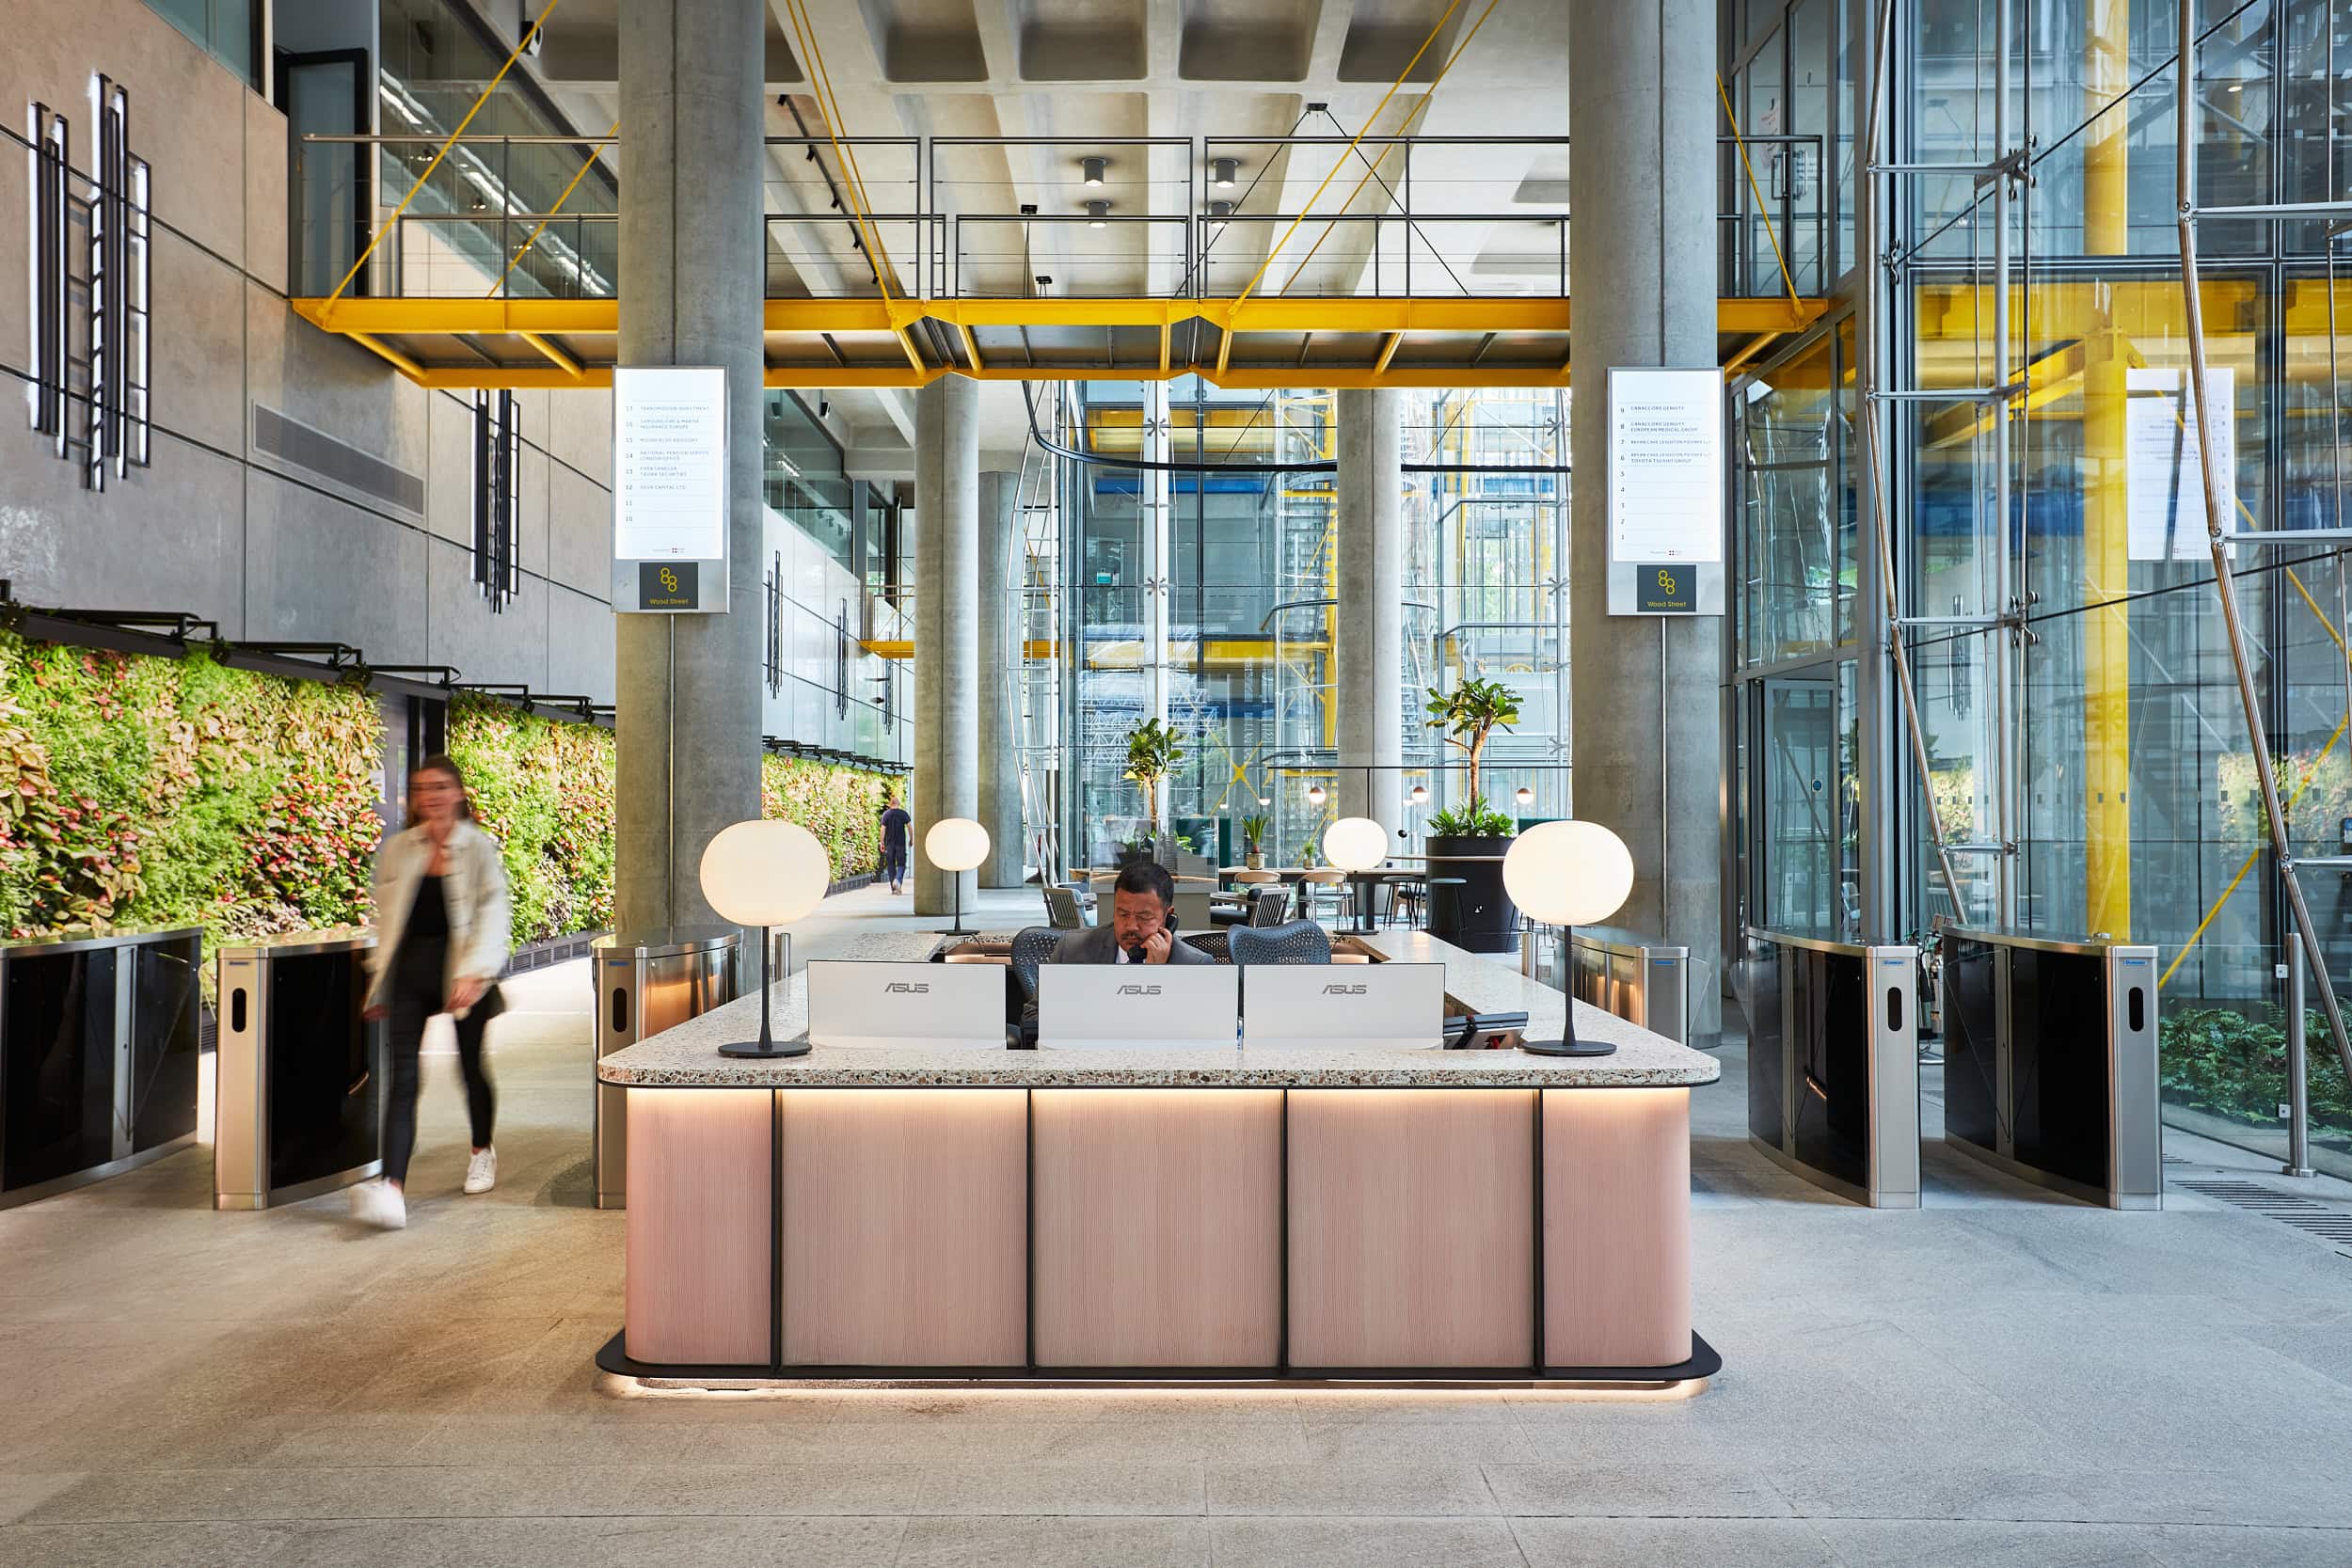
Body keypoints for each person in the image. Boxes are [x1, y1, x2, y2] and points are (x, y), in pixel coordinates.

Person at [350, 754, 512, 1231]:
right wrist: (380, 978)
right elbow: (388, 919)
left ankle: (482, 1148)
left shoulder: (478, 847)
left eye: (441, 786)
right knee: (403, 1081)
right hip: (411, 973)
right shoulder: (400, 848)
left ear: (458, 793)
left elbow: (493, 912)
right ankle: (392, 1186)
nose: (431, 795)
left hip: (464, 968)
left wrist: (476, 972)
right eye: (422, 788)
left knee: (469, 1068)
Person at [1045, 860, 1213, 966]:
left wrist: (1157, 976)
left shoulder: (1194, 964)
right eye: (1123, 914)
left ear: (1167, 916)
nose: (1131, 926)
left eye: (1144, 917)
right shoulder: (1071, 949)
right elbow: (1033, 1017)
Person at [878, 788, 912, 895]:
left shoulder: (886, 814)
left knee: (891, 865)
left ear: (890, 804)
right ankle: (897, 880)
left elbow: (882, 829)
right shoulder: (903, 814)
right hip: (900, 844)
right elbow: (910, 827)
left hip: (889, 844)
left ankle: (893, 888)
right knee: (901, 864)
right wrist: (912, 839)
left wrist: (881, 842)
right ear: (898, 804)